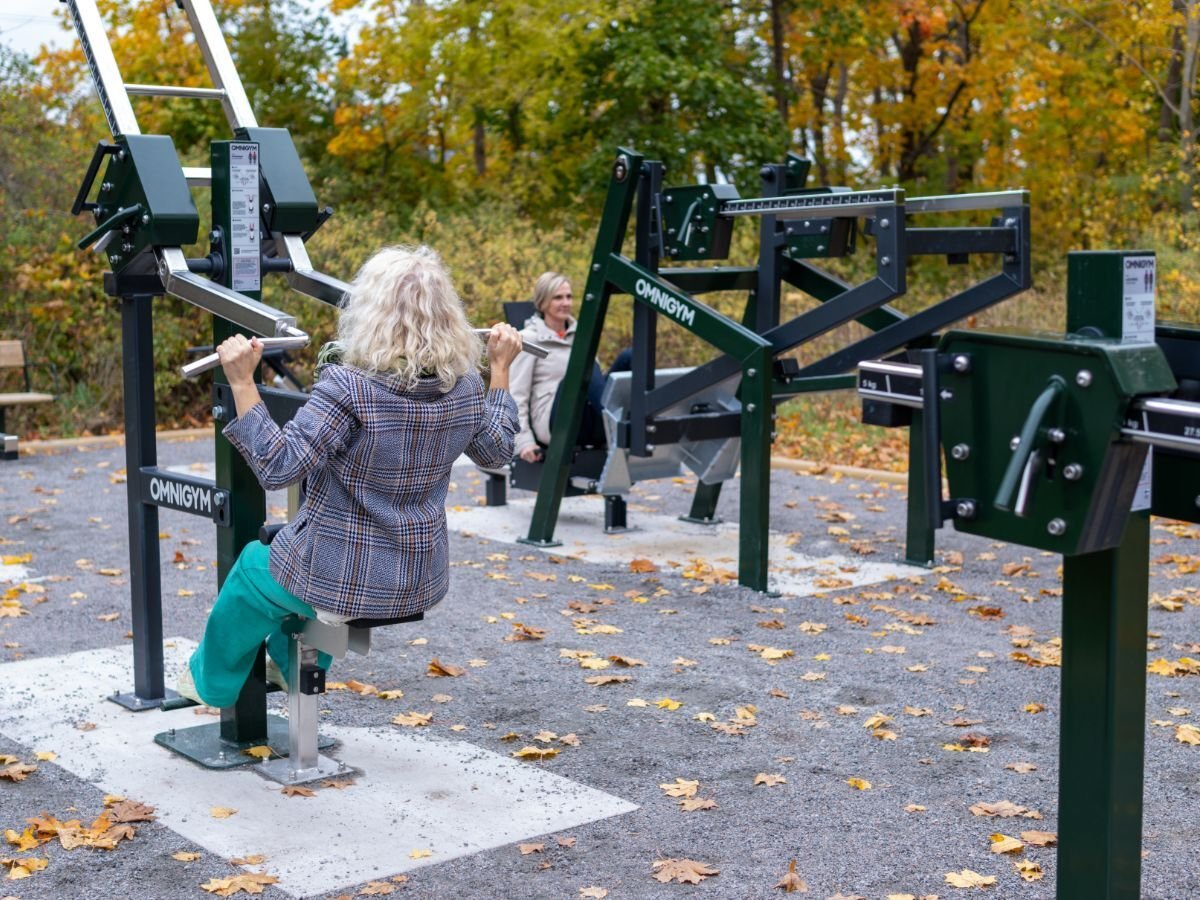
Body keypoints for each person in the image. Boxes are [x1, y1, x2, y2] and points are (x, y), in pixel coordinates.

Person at [179, 245, 523, 708]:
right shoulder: (463, 385)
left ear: (370, 313)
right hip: (418, 577)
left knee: (250, 572)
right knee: (307, 587)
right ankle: (290, 664)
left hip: (345, 578)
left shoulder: (350, 387)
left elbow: (279, 467)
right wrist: (499, 369)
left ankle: (211, 686)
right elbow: (497, 449)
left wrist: (242, 383)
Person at [508, 272, 628, 463]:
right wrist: (524, 442)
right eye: (558, 297)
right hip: (556, 422)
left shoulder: (581, 335)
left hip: (588, 417)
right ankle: (620, 424)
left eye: (568, 297)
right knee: (580, 370)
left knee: (628, 358)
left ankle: (635, 421)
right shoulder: (529, 340)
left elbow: (595, 382)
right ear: (543, 302)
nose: (565, 302)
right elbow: (516, 395)